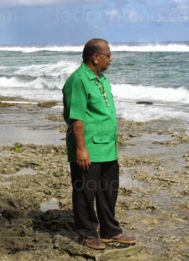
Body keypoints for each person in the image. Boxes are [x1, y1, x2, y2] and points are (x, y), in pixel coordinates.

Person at [62, 38, 136, 251]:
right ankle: (87, 233)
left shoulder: (102, 80)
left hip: (108, 148)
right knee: (85, 191)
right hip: (89, 148)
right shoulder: (78, 80)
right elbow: (76, 118)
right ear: (95, 57)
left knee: (108, 191)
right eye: (108, 55)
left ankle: (109, 231)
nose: (111, 59)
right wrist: (81, 148)